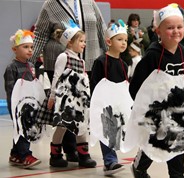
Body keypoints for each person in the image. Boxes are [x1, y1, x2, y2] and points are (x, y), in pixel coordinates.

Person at [29, 0, 107, 164]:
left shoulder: (89, 3)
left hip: (88, 61)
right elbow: (40, 34)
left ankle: (81, 152)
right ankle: (68, 150)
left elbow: (101, 28)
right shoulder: (50, 4)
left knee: (81, 111)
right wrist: (29, 62)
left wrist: (109, 56)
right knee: (65, 112)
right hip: (59, 62)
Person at [128, 3, 184, 178]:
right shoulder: (152, 56)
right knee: (154, 145)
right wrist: (143, 108)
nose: (176, 31)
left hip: (179, 115)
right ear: (158, 31)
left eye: (179, 27)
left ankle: (177, 174)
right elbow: (136, 85)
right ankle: (139, 167)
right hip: (157, 114)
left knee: (177, 147)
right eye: (170, 27)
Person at [47, 21, 96, 168]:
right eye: (81, 41)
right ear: (69, 43)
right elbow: (56, 77)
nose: (84, 44)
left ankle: (84, 155)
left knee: (81, 125)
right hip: (65, 100)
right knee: (62, 126)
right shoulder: (64, 57)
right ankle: (55, 156)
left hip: (79, 100)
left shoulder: (81, 61)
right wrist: (52, 96)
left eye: (84, 41)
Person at [90, 19, 128, 176]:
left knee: (116, 132)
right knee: (107, 131)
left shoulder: (124, 65)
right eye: (120, 39)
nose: (124, 43)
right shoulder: (101, 62)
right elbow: (95, 85)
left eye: (125, 40)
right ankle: (110, 161)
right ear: (108, 41)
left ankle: (111, 161)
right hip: (104, 105)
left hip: (118, 105)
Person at [4, 29, 41, 168]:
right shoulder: (11, 68)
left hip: (30, 105)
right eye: (25, 47)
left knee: (23, 129)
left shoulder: (31, 66)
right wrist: (14, 107)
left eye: (31, 47)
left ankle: (15, 154)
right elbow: (10, 90)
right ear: (15, 49)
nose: (30, 50)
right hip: (17, 107)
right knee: (22, 129)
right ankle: (25, 155)